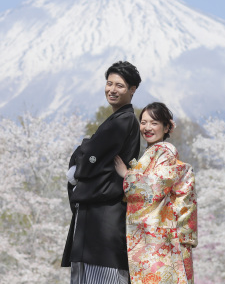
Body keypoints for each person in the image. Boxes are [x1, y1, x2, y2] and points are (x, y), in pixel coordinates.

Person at [61, 61, 142, 284]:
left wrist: (82, 154)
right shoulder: (118, 120)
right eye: (109, 83)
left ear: (132, 90)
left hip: (104, 219)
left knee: (103, 277)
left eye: (120, 86)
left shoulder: (124, 120)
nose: (112, 90)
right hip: (98, 214)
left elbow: (88, 158)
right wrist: (86, 149)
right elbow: (90, 153)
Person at [114, 102, 197, 284]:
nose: (147, 128)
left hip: (160, 236)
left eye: (154, 123)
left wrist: (126, 175)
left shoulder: (165, 152)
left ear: (167, 126)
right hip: (157, 233)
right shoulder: (153, 152)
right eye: (143, 122)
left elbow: (156, 187)